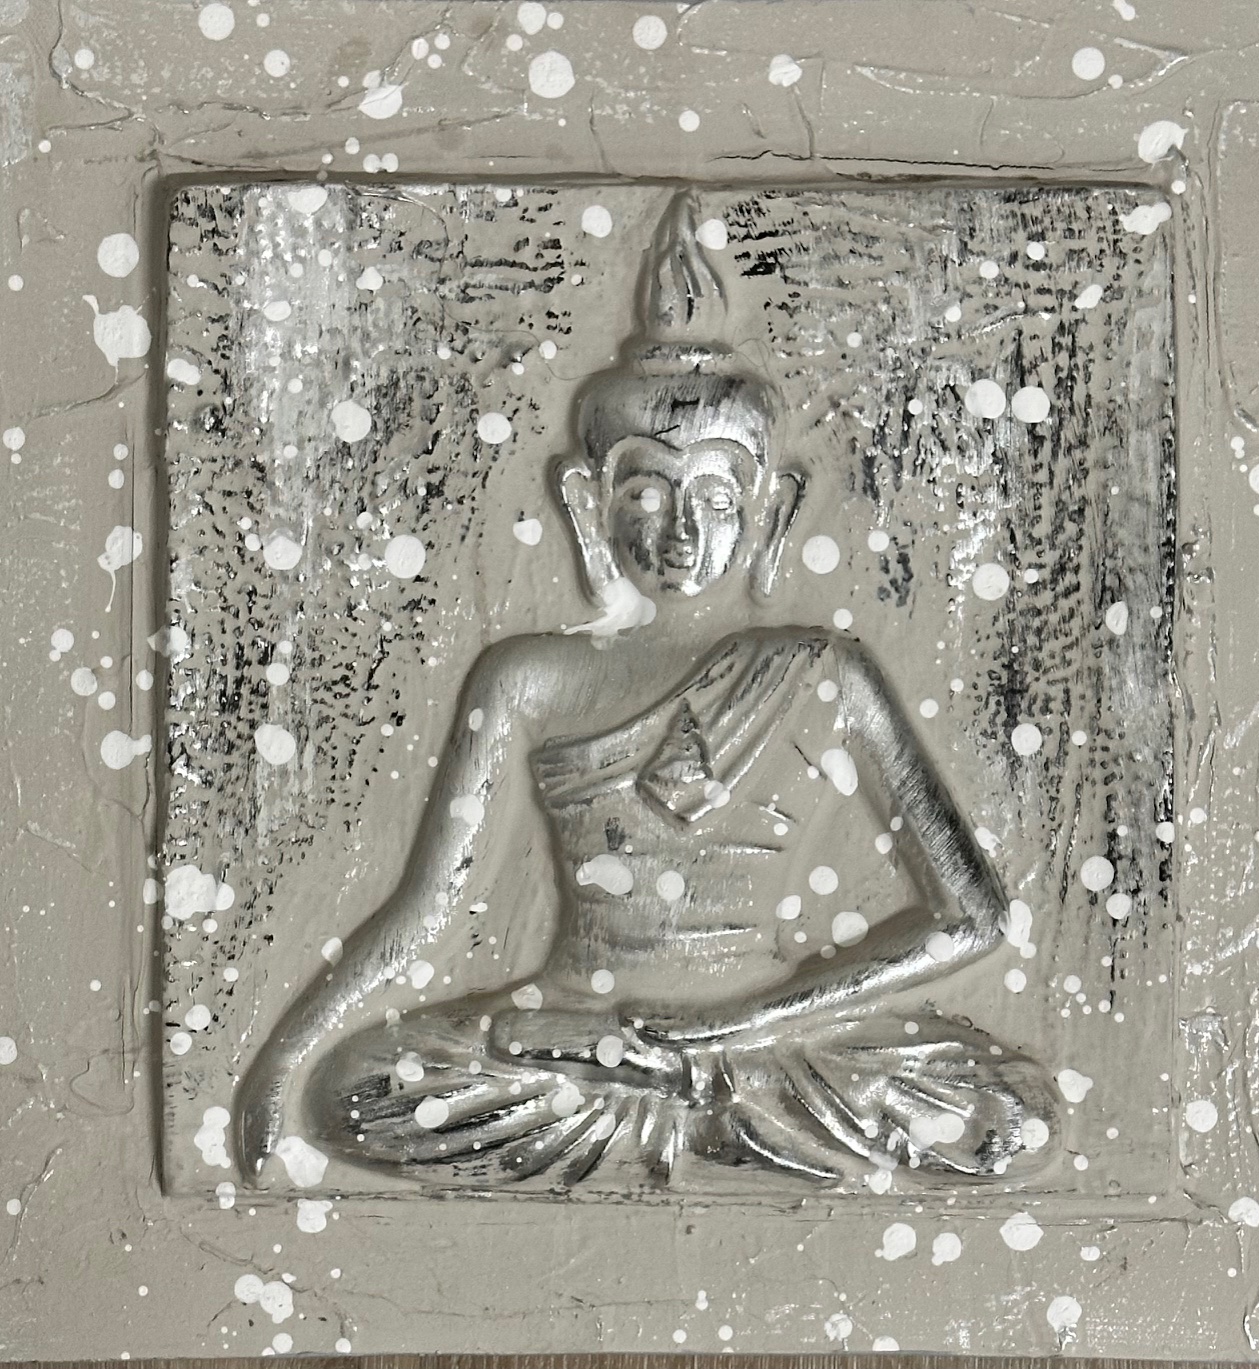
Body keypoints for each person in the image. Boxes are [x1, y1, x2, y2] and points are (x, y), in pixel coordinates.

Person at [235, 192, 1059, 1192]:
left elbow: (970, 917)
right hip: (575, 1028)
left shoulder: (823, 672)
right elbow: (427, 910)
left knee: (1007, 1115)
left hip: (757, 1041)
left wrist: (736, 1021)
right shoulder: (531, 676)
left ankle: (678, 1087)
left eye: (714, 494)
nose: (680, 533)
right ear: (588, 505)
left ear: (770, 510)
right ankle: (661, 1092)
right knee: (357, 1091)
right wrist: (284, 1055)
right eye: (646, 491)